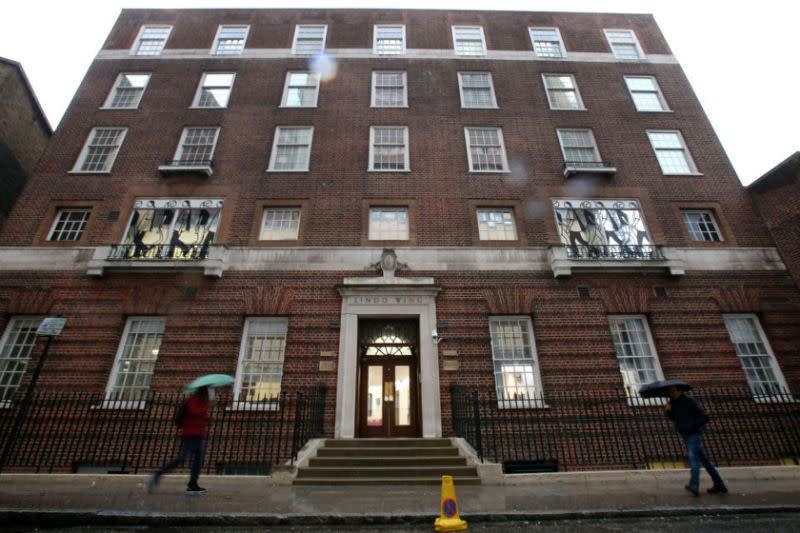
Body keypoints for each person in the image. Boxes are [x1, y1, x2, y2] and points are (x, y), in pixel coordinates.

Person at [664, 386, 728, 496]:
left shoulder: (689, 402)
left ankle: (694, 484)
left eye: (673, 391)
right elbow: (675, 419)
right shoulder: (673, 404)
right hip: (685, 435)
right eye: (669, 391)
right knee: (705, 461)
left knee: (693, 457)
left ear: (679, 391)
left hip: (694, 434)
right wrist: (668, 411)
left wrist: (692, 427)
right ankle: (719, 484)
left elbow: (704, 417)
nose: (671, 393)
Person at [148, 386, 211, 494]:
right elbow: (194, 412)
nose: (209, 394)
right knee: (181, 459)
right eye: (208, 391)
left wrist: (207, 417)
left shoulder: (201, 401)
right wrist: (205, 407)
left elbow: (200, 416)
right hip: (191, 434)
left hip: (199, 434)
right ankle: (158, 474)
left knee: (198, 461)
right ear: (203, 391)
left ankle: (192, 485)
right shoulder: (193, 400)